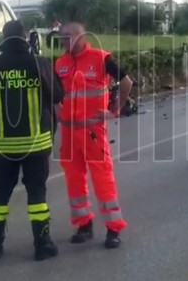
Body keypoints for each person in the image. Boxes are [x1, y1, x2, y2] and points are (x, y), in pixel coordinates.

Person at [0, 20, 64, 262]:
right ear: (25, 40)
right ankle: (42, 245)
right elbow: (59, 94)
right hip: (36, 145)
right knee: (37, 195)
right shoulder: (38, 64)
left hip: (3, 148)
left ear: (3, 40)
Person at [56, 22, 133, 249]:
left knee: (102, 179)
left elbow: (127, 81)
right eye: (61, 37)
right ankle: (83, 224)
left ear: (82, 37)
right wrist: (58, 111)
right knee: (74, 179)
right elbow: (51, 91)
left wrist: (115, 109)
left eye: (68, 36)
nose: (64, 40)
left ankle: (113, 229)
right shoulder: (60, 63)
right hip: (70, 133)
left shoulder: (101, 58)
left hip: (93, 132)